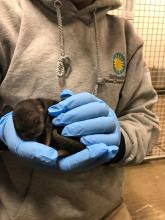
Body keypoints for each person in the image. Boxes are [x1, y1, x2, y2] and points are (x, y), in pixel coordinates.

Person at [0, 0, 160, 219]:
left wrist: (121, 141)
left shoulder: (125, 36)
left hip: (108, 209)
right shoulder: (6, 16)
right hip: (23, 212)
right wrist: (3, 131)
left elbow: (145, 120)